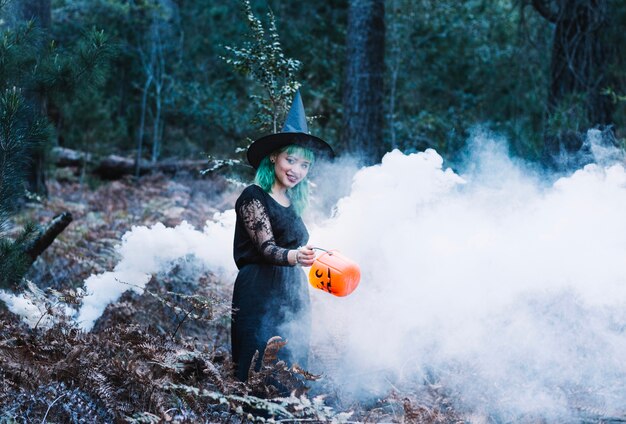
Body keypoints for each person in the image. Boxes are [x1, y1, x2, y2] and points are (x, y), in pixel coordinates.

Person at [231, 91, 334, 382]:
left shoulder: (294, 202)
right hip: (258, 290)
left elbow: (295, 246)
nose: (297, 170)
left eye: (305, 165)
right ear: (274, 156)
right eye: (291, 160)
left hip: (293, 291)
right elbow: (265, 247)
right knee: (256, 365)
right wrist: (294, 256)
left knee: (291, 367)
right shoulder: (253, 196)